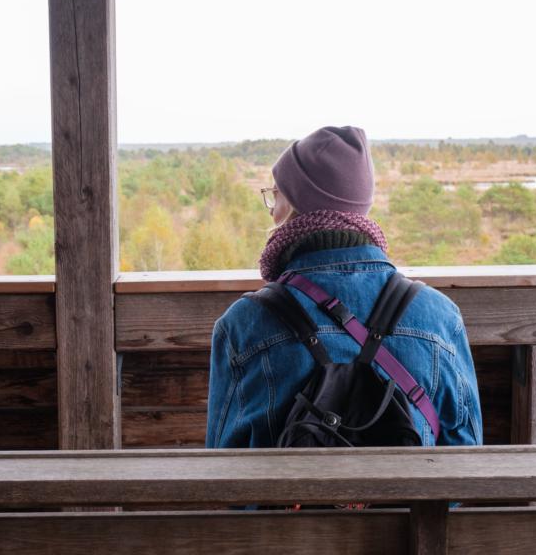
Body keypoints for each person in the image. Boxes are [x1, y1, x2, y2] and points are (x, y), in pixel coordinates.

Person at [206, 126, 482, 449]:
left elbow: (225, 465)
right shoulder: (440, 317)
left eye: (275, 192)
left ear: (296, 202)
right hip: (409, 500)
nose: (270, 206)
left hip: (287, 501)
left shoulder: (243, 325)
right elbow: (465, 452)